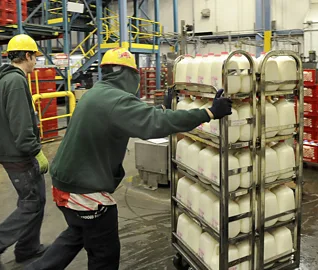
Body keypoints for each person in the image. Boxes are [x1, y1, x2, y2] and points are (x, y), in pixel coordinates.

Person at [26, 47, 232, 270]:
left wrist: (164, 107)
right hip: (85, 191)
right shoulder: (115, 100)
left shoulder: (98, 92)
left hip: (66, 184)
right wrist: (209, 113)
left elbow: (135, 118)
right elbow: (154, 124)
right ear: (129, 75)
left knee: (76, 235)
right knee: (105, 253)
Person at [0, 34, 49, 270]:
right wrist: (35, 151)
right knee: (31, 203)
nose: (35, 62)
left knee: (36, 200)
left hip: (11, 152)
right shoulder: (16, 81)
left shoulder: (5, 80)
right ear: (27, 55)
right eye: (35, 57)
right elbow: (21, 124)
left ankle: (27, 248)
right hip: (19, 155)